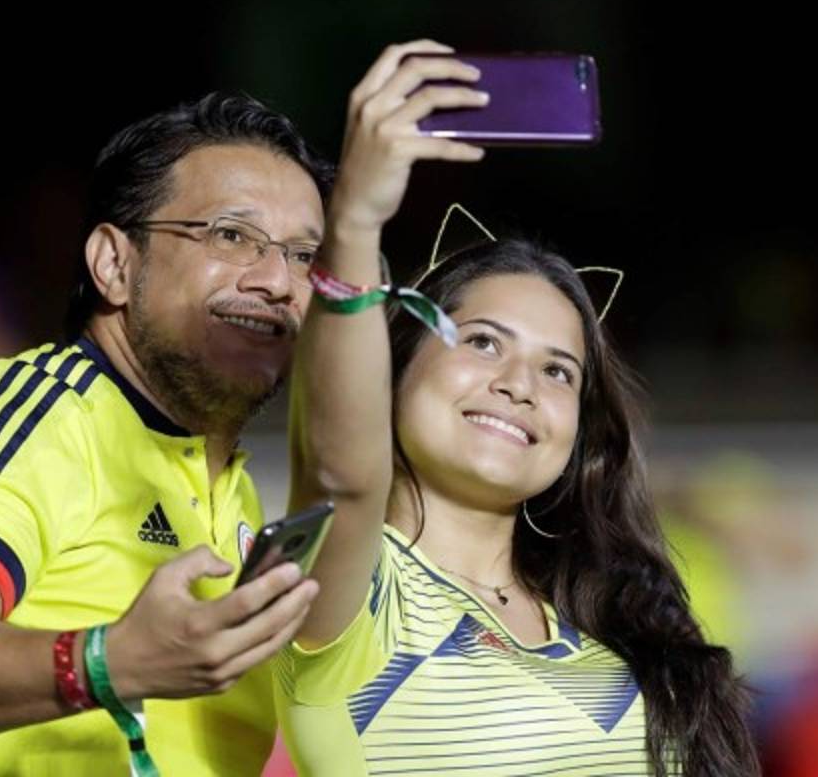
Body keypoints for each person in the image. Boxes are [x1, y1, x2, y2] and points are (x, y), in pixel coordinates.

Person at [275, 41, 759, 776]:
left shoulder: (613, 624)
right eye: (483, 342)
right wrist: (354, 224)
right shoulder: (355, 592)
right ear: (396, 363)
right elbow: (340, 471)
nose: (521, 384)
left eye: (558, 371)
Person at [0, 91, 331, 776]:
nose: (277, 280)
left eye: (303, 256)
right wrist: (106, 661)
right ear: (115, 264)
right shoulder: (33, 420)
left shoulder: (224, 482)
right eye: (231, 236)